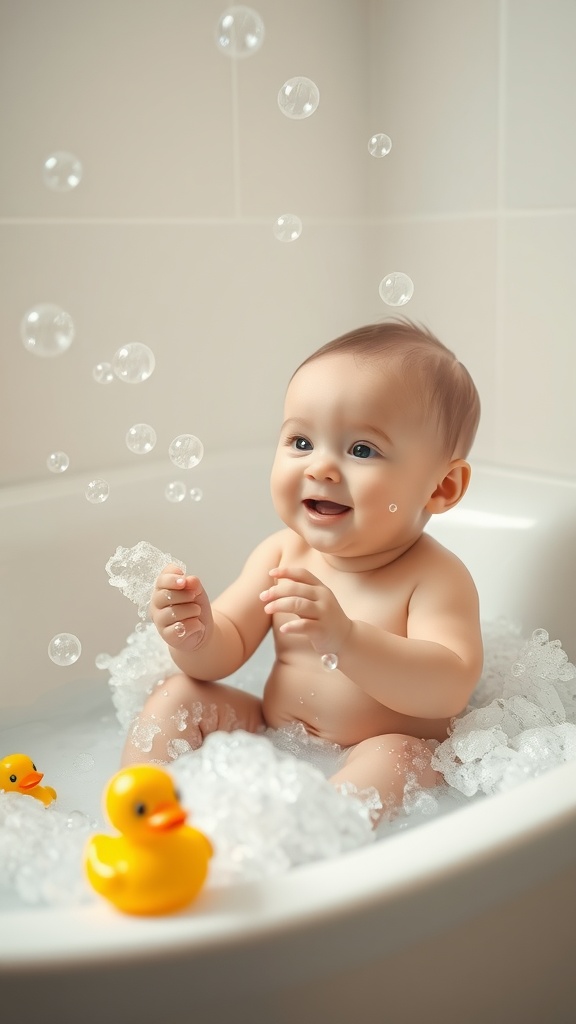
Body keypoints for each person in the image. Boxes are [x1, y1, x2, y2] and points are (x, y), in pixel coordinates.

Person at [122, 319, 484, 822]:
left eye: (362, 450)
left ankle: (304, 836)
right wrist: (195, 633)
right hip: (272, 731)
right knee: (178, 694)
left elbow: (449, 684)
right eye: (300, 442)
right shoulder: (280, 554)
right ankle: (138, 815)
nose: (320, 468)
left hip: (376, 751)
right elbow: (219, 656)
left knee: (398, 757)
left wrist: (348, 639)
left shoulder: (435, 577)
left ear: (441, 488)